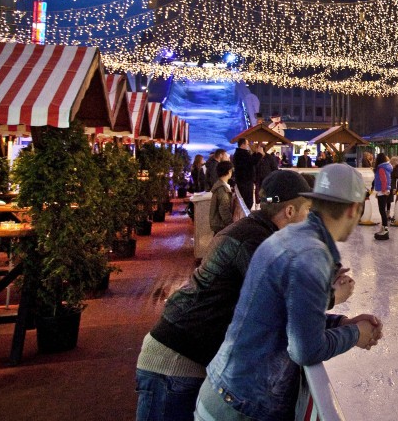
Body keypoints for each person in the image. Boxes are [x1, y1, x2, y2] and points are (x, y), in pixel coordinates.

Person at [136, 170, 331, 421]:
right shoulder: (255, 242)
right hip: (173, 364)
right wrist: (334, 294)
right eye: (307, 211)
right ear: (290, 212)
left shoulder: (255, 233)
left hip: (185, 356)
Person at [195, 164, 383, 421]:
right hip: (241, 406)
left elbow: (281, 315)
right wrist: (354, 334)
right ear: (353, 209)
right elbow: (305, 349)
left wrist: (341, 322)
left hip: (226, 394)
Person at [231, 139, 262, 210]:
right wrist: (259, 154)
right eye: (247, 144)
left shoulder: (240, 153)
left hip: (243, 180)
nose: (248, 146)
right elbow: (252, 161)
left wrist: (255, 153)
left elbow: (250, 160)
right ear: (243, 144)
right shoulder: (242, 154)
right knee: (247, 200)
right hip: (245, 181)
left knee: (247, 200)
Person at [209, 161, 236, 235]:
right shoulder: (222, 189)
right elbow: (224, 210)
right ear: (229, 171)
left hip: (218, 224)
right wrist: (231, 225)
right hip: (221, 225)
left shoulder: (219, 185)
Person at [373, 154, 393, 241]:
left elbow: (383, 179)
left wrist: (384, 190)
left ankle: (385, 229)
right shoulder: (386, 167)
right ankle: (384, 227)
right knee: (382, 210)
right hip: (384, 190)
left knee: (382, 210)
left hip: (382, 190)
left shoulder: (381, 168)